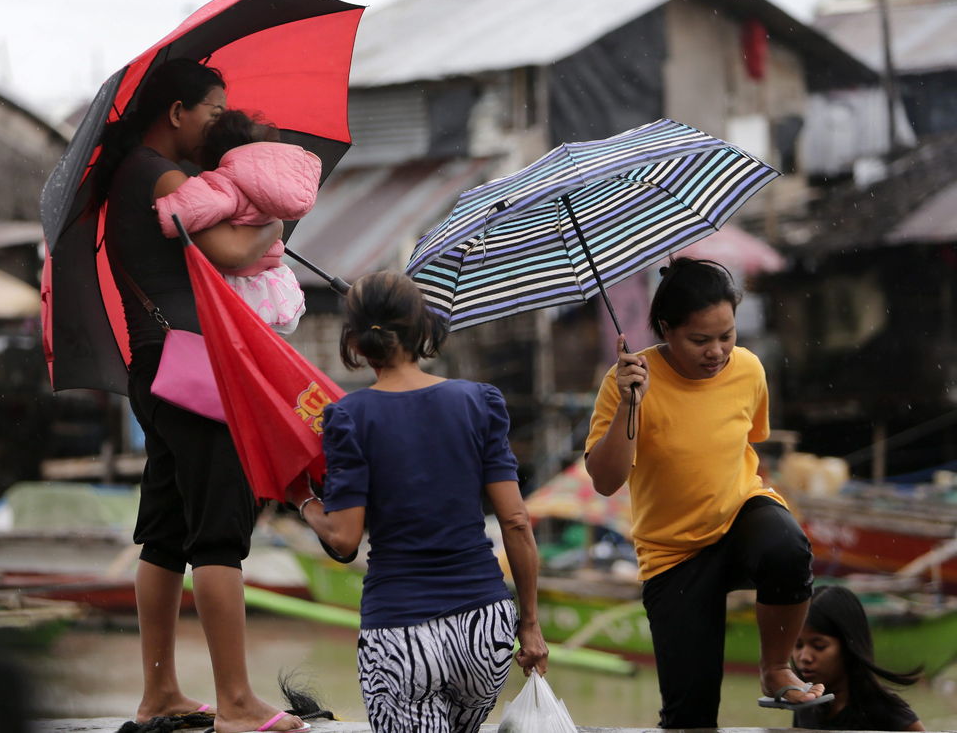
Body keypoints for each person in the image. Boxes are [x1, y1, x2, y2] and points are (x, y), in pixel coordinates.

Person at [97, 58, 309, 733]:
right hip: (199, 372)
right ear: (177, 112)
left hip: (158, 370)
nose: (218, 124)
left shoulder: (128, 173)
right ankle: (237, 701)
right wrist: (277, 217)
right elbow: (235, 252)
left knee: (164, 533)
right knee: (219, 534)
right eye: (213, 111)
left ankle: (159, 692)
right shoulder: (166, 178)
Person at [284, 270, 549, 732]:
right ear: (422, 327)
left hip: (400, 634)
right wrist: (529, 624)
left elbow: (344, 539)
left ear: (355, 341)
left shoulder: (349, 417)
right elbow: (516, 522)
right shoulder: (479, 401)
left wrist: (302, 499)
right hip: (484, 630)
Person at [584, 256, 830, 728]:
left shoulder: (749, 369)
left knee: (787, 547)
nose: (717, 351)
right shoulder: (626, 382)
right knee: (690, 716)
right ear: (665, 329)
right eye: (700, 340)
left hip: (740, 517)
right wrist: (630, 405)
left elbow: (747, 440)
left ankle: (775, 668)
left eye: (726, 336)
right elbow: (605, 480)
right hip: (672, 553)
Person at [154, 109, 321, 334]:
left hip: (242, 287)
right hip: (273, 285)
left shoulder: (228, 178)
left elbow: (207, 204)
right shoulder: (274, 184)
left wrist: (169, 209)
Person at [793, 585, 925, 731]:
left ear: (849, 646)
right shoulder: (805, 705)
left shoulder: (883, 709)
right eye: (798, 645)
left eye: (819, 646)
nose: (804, 657)